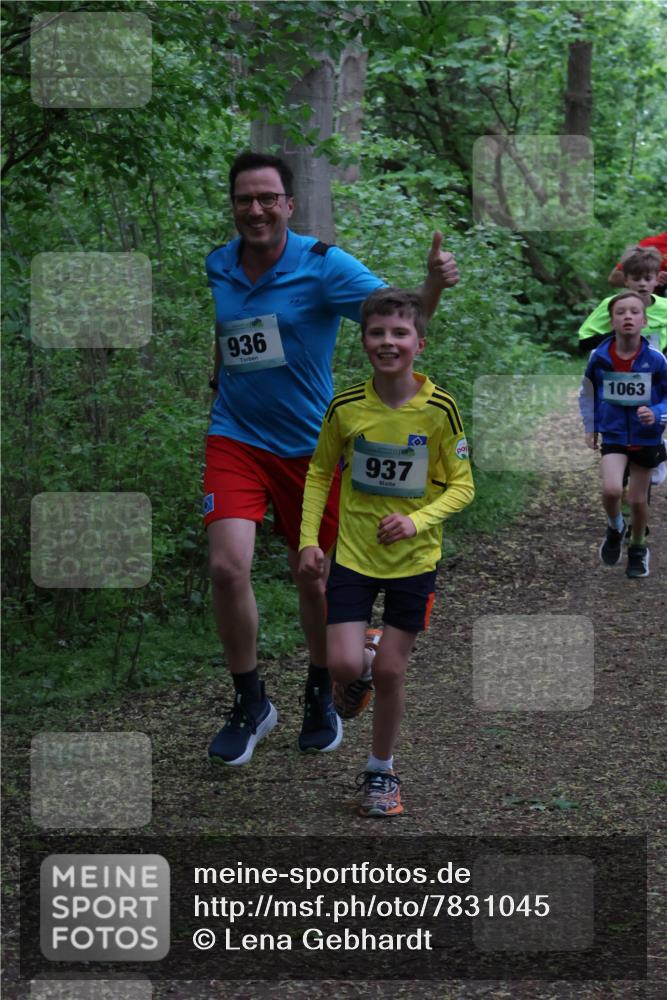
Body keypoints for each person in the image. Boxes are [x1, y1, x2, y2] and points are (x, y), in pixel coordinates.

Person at [204, 152, 460, 766]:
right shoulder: (218, 264)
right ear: (234, 206)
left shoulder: (322, 266)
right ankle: (250, 701)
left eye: (269, 198)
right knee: (227, 567)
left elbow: (401, 317)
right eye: (245, 199)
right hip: (235, 436)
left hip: (309, 446)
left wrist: (433, 284)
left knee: (311, 574)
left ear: (289, 205)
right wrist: (215, 392)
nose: (257, 209)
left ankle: (322, 689)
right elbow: (230, 338)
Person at [298, 287, 474, 816]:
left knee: (393, 674)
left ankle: (381, 772)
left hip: (414, 562)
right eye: (377, 332)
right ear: (364, 340)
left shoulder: (439, 409)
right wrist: (310, 539)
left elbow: (462, 486)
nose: (388, 342)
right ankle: (364, 656)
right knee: (345, 666)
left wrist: (416, 520)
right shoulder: (346, 406)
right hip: (353, 555)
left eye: (399, 333)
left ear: (419, 342)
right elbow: (320, 472)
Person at [580, 291, 667, 579]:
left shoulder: (656, 359)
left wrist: (655, 411)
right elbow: (588, 392)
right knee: (611, 490)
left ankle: (638, 547)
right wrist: (591, 425)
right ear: (612, 321)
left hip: (646, 436)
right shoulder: (600, 357)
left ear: (644, 320)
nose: (627, 316)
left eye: (633, 312)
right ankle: (616, 526)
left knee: (638, 500)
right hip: (614, 434)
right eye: (621, 312)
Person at [579, 246, 667, 353]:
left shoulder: (665, 306)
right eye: (636, 279)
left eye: (648, 279)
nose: (642, 284)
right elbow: (584, 342)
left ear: (657, 280)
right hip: (620, 366)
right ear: (626, 280)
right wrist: (619, 336)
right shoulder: (613, 304)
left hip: (659, 366)